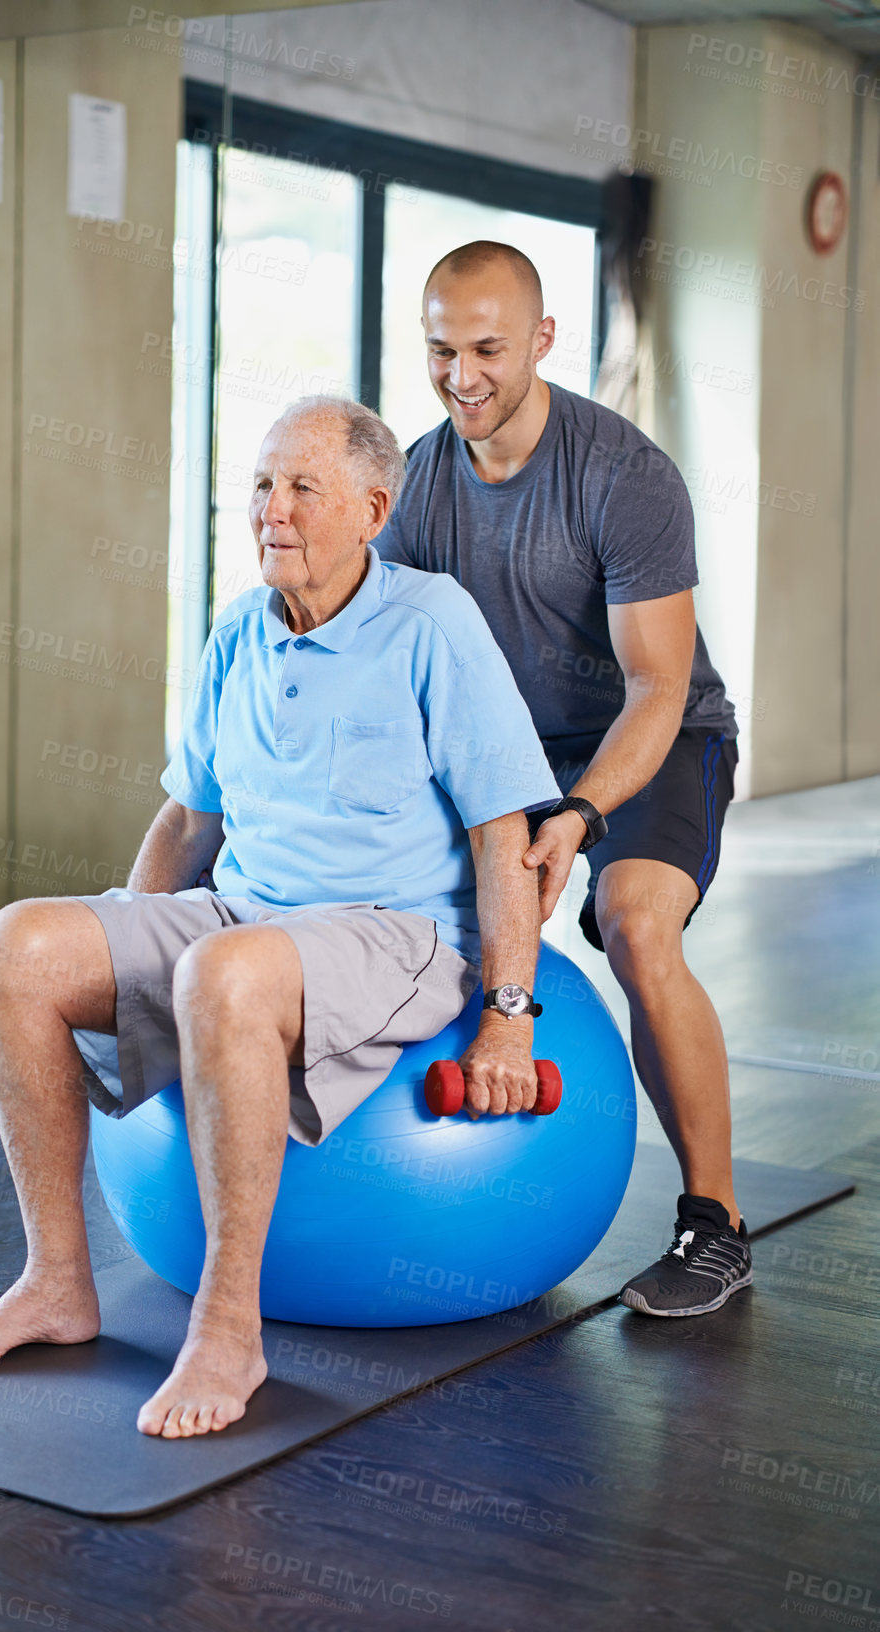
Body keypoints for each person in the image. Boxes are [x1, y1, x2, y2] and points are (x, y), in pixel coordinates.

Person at [0, 395, 560, 1437]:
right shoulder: (238, 628)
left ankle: (228, 1329)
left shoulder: (433, 623)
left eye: (304, 487)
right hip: (247, 910)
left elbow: (501, 836)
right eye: (263, 484)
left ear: (373, 509)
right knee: (17, 948)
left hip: (394, 932)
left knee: (225, 972)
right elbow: (189, 813)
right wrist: (120, 937)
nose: (273, 508)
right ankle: (55, 1282)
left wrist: (510, 1016)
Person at [372, 241, 751, 1319]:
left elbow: (657, 686)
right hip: (509, 752)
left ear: (542, 339)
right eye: (441, 350)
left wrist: (580, 817)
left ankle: (715, 1225)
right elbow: (401, 663)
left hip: (655, 738)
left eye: (487, 348)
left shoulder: (624, 476)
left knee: (633, 923)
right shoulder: (419, 484)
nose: (461, 376)